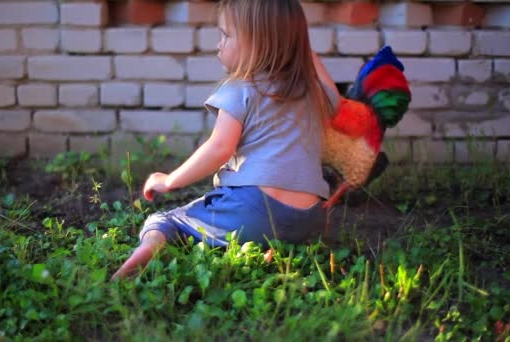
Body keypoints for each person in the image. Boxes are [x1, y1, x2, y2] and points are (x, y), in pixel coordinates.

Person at [111, 0, 340, 281]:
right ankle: (273, 248)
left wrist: (170, 180)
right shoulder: (312, 93)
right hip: (311, 220)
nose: (218, 45)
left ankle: (152, 245)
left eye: (226, 35)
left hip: (254, 210)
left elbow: (219, 148)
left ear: (259, 43)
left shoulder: (241, 88)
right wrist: (302, 49)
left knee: (165, 221)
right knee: (254, 233)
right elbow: (335, 96)